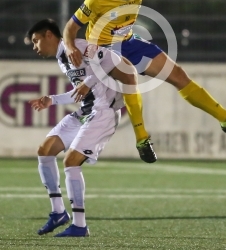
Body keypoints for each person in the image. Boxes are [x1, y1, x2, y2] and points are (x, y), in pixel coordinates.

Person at [63, 0, 226, 136]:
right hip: (104, 49)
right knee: (128, 84)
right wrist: (71, 47)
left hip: (129, 41)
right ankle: (141, 138)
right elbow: (70, 28)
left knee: (179, 75)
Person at [27, 18, 153, 238]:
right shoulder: (62, 58)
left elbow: (118, 63)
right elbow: (81, 91)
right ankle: (58, 213)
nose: (35, 47)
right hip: (85, 112)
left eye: (36, 41)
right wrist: (52, 100)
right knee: (45, 151)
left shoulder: (81, 47)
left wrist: (89, 81)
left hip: (102, 113)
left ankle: (79, 225)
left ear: (49, 35)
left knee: (71, 161)